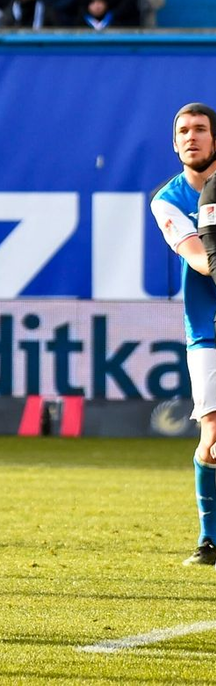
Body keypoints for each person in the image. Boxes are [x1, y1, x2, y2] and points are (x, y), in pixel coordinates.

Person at [152, 105, 216, 567]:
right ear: (174, 144)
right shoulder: (167, 199)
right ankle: (209, 540)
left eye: (200, 129)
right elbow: (199, 259)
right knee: (213, 442)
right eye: (183, 131)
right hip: (207, 330)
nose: (191, 137)